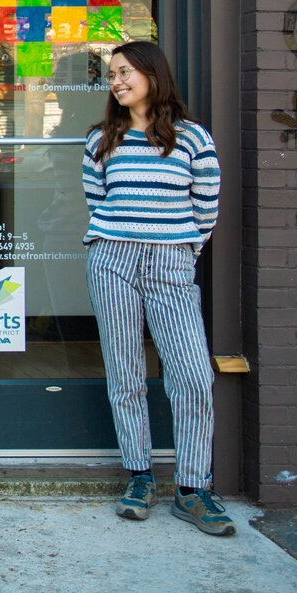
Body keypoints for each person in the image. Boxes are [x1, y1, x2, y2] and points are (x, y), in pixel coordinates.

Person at [81, 40, 233, 536]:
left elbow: (206, 209)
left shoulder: (191, 139)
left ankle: (193, 488)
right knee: (124, 373)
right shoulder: (102, 140)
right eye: (111, 75)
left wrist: (179, 250)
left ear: (152, 74)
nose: (117, 82)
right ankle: (139, 477)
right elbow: (97, 201)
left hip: (171, 263)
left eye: (125, 72)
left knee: (192, 375)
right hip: (112, 260)